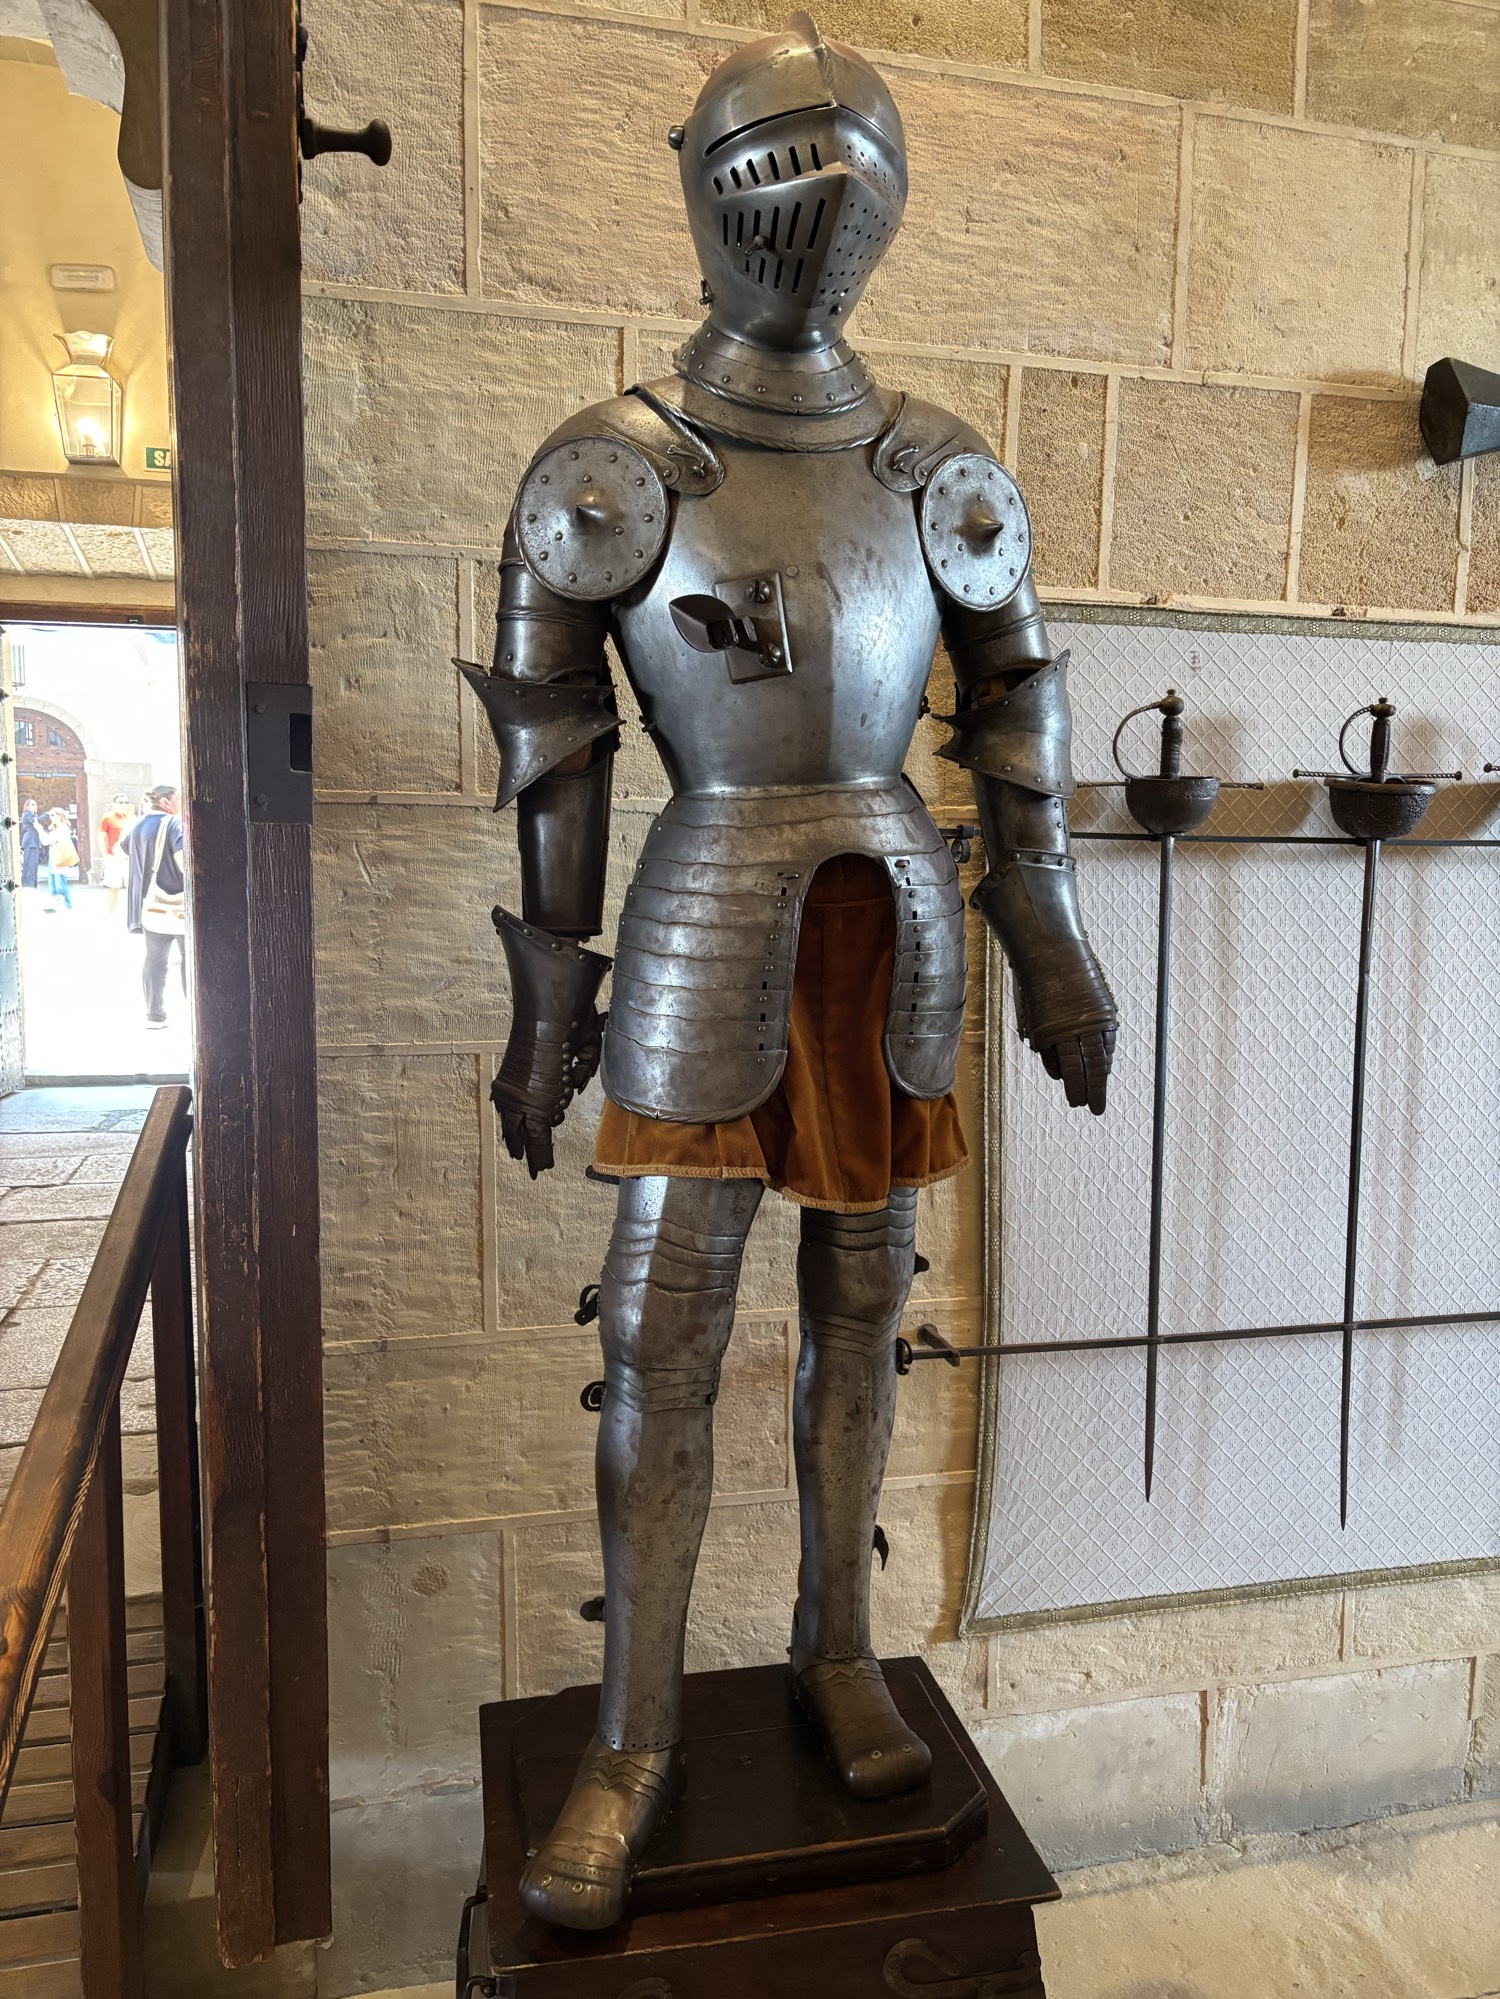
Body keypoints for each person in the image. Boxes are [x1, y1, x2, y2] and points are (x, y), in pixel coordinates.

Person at [476, 19, 1116, 1932]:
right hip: (709, 898)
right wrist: (548, 1003)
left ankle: (840, 1645)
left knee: (864, 1294)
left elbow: (1014, 700)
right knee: (659, 1328)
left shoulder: (937, 467)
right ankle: (633, 1733)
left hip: (889, 912)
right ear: (700, 185)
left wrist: (1049, 929)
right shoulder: (613, 468)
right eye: (774, 175)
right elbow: (556, 750)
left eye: (848, 181)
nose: (810, 217)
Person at [121, 783, 186, 1027]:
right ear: (166, 802)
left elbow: (126, 848)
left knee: (155, 959)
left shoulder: (138, 825)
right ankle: (196, 1011)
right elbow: (183, 862)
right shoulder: (173, 824)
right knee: (189, 958)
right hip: (177, 904)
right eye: (179, 799)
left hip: (150, 905)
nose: (181, 803)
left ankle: (155, 1014)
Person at [98, 793, 135, 916]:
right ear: (114, 804)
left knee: (133, 887)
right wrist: (105, 855)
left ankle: (133, 915)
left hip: (130, 858)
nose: (124, 804)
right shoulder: (108, 818)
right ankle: (111, 914)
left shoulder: (132, 819)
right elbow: (101, 837)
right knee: (114, 887)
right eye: (120, 802)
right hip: (114, 857)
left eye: (126, 802)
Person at [39, 808, 78, 910]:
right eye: (50, 815)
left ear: (60, 816)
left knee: (59, 882)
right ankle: (61, 904)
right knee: (53, 881)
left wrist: (39, 829)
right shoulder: (56, 828)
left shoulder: (62, 828)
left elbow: (46, 841)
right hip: (54, 855)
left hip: (59, 856)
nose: (51, 818)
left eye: (53, 815)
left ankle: (66, 904)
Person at [18, 799, 40, 889]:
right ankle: (28, 882)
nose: (35, 806)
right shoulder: (28, 815)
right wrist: (48, 814)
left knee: (34, 863)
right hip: (30, 842)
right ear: (27, 806)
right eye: (32, 804)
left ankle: (32, 882)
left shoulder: (33, 815)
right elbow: (37, 822)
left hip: (33, 842)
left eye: (36, 804)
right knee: (30, 863)